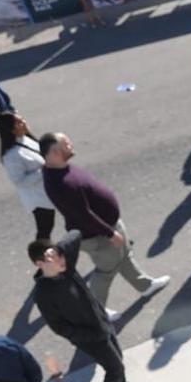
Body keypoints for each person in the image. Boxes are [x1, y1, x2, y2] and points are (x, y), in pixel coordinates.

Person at [29, 234, 153, 382]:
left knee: (117, 359)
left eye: (59, 255)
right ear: (39, 263)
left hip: (103, 324)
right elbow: (59, 327)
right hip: (90, 338)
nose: (61, 260)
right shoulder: (43, 294)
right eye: (52, 258)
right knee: (114, 368)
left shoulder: (66, 268)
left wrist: (58, 250)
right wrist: (91, 335)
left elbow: (75, 234)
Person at [40, 132, 171, 308]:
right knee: (106, 271)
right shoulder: (61, 183)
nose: (70, 145)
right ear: (54, 153)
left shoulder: (60, 168)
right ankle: (98, 309)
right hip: (97, 235)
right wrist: (110, 233)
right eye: (66, 144)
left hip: (106, 227)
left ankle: (145, 285)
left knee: (124, 257)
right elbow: (83, 215)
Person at [0, 113, 56, 238]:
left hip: (50, 190)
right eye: (19, 122)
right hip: (40, 199)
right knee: (45, 228)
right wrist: (44, 169)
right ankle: (42, 253)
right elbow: (19, 181)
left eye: (22, 119)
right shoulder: (11, 156)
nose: (24, 122)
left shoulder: (26, 138)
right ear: (12, 130)